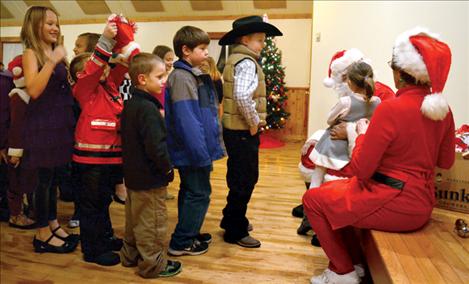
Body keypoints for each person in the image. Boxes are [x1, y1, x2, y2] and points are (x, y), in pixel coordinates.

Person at [303, 27, 455, 284]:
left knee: (313, 200)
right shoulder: (443, 111)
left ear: (398, 72)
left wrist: (358, 134)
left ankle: (342, 271)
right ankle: (356, 263)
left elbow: (361, 170)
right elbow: (446, 161)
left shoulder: (391, 109)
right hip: (423, 203)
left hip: (393, 201)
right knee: (340, 195)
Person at [70, 15, 139, 266]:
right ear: (80, 74)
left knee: (104, 201)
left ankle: (104, 237)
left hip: (110, 158)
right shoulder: (84, 89)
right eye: (99, 67)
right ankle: (93, 249)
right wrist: (105, 40)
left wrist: (125, 38)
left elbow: (122, 65)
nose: (104, 69)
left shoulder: (109, 87)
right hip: (91, 160)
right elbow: (93, 67)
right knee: (92, 205)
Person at [218, 15, 282, 248]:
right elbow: (243, 96)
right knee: (245, 180)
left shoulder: (236, 59)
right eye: (260, 40)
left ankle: (231, 218)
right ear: (246, 39)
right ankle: (235, 231)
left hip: (235, 131)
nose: (263, 45)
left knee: (238, 177)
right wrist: (254, 122)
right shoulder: (246, 62)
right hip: (243, 132)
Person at [21, 6, 78, 253]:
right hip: (43, 126)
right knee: (43, 181)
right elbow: (33, 89)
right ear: (35, 26)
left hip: (59, 124)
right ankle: (42, 233)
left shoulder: (54, 52)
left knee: (54, 179)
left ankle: (53, 223)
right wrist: (53, 61)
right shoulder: (31, 53)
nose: (55, 28)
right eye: (49, 23)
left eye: (56, 23)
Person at [120, 53, 181, 278]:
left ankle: (129, 256)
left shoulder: (131, 104)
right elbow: (156, 146)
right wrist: (167, 168)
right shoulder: (148, 109)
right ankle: (154, 265)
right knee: (152, 224)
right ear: (143, 79)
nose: (164, 80)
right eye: (160, 76)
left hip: (133, 177)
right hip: (150, 178)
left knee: (134, 219)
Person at [165, 26, 225, 256]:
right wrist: (200, 152)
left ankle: (189, 231)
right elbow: (187, 119)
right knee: (199, 193)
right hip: (193, 150)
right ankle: (181, 241)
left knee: (191, 191)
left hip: (198, 148)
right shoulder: (181, 77)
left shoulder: (192, 74)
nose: (207, 53)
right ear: (186, 51)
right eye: (202, 48)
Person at [308, 61, 381, 188]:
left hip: (335, 144)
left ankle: (312, 192)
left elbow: (330, 120)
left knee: (318, 170)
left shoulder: (345, 102)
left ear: (350, 82)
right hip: (360, 143)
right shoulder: (377, 102)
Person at [5, 55, 36, 229]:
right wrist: (15, 153)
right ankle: (15, 215)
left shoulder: (30, 94)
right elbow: (16, 127)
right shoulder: (19, 96)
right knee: (16, 183)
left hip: (29, 146)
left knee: (27, 181)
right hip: (18, 148)